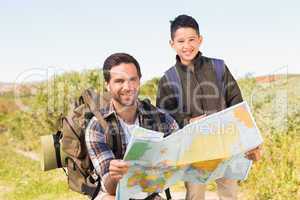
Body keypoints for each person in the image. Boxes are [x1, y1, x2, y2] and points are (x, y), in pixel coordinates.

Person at [156, 14, 262, 200]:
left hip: (226, 143)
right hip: (193, 149)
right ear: (172, 44)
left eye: (191, 40)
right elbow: (164, 117)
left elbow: (236, 101)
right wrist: (188, 121)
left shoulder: (218, 67)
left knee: (229, 192)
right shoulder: (168, 79)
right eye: (181, 41)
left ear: (200, 40)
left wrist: (249, 137)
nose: (187, 46)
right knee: (195, 194)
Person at [85, 53, 178, 200]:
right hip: (113, 194)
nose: (128, 87)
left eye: (132, 79)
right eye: (119, 81)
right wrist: (115, 176)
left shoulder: (160, 118)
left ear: (139, 81)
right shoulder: (97, 127)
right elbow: (109, 187)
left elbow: (179, 156)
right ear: (107, 85)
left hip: (149, 192)